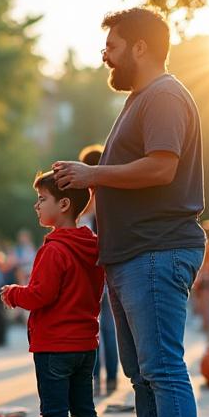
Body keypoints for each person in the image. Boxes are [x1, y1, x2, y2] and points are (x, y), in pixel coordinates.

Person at [54, 7, 205, 417]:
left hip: (157, 251)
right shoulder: (142, 99)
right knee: (142, 375)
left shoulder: (163, 96)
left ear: (140, 47)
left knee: (162, 371)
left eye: (113, 45)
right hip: (132, 255)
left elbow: (162, 167)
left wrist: (94, 172)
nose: (105, 55)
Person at [3, 173, 106, 417]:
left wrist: (14, 293)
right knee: (85, 412)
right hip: (86, 343)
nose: (37, 205)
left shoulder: (54, 249)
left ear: (63, 204)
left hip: (54, 346)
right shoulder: (91, 246)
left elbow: (41, 295)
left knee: (56, 416)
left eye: (42, 199)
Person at [78, 144, 119, 395]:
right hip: (112, 268)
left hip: (93, 271)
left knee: (92, 326)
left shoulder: (88, 202)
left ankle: (95, 378)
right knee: (108, 326)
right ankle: (111, 378)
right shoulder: (116, 195)